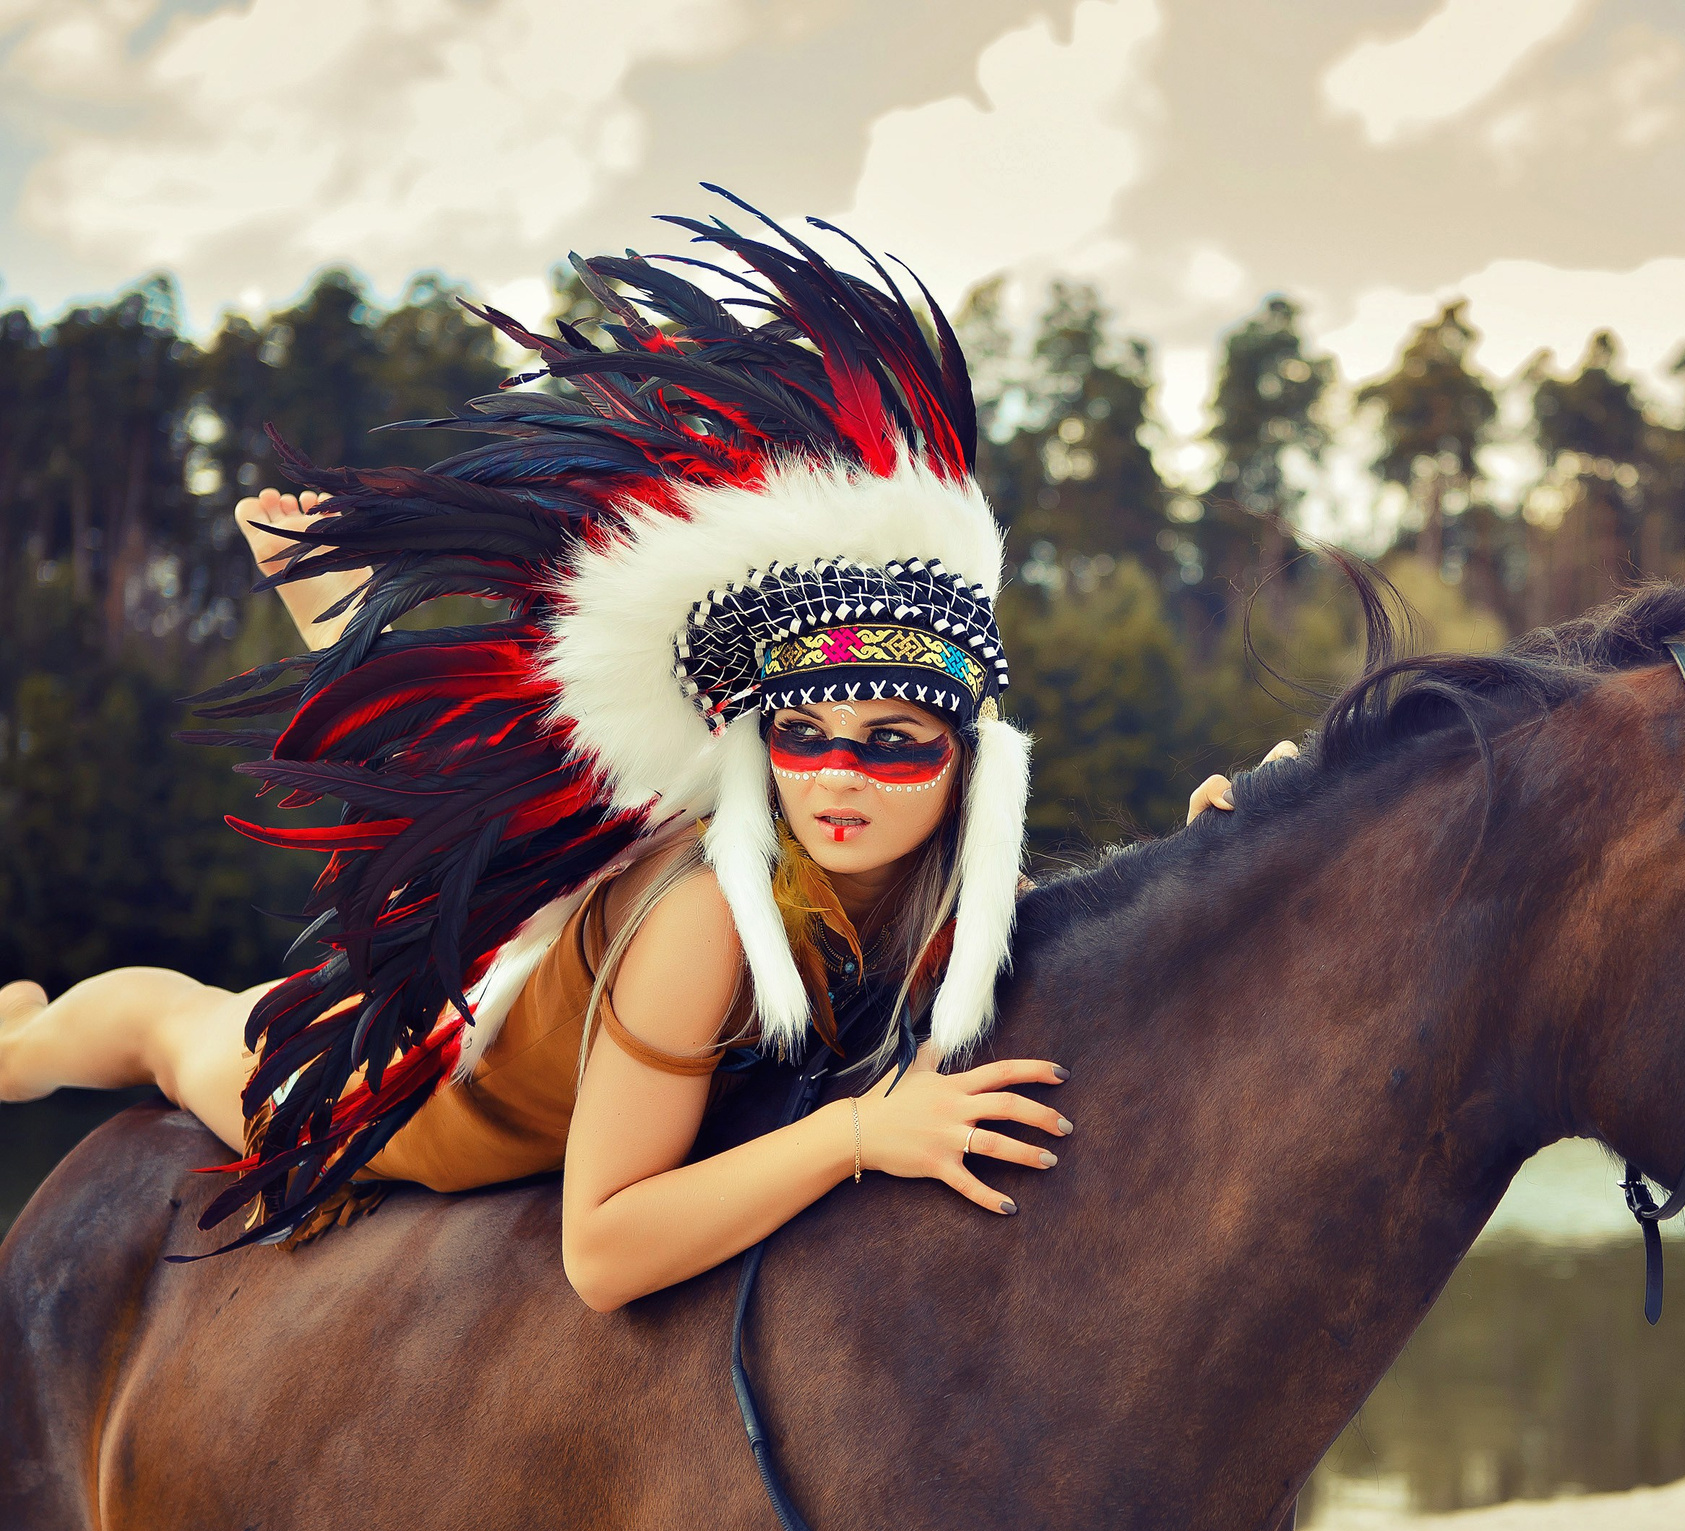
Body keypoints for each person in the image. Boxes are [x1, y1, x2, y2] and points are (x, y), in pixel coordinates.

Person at [0, 196, 1244, 1312]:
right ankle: (28, 1040)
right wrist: (861, 1136)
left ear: (968, 766)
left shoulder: (957, 892)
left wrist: (1219, 857)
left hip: (564, 924)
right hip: (428, 1086)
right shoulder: (709, 919)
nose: (840, 777)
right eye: (800, 737)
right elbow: (600, 1255)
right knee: (182, 1026)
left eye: (894, 746)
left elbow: (1086, 938)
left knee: (464, 804)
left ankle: (346, 630)